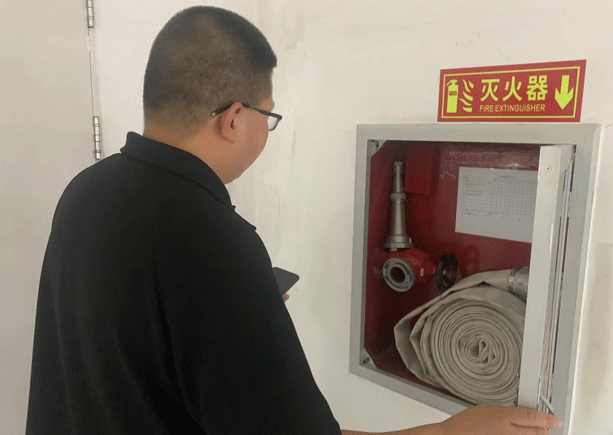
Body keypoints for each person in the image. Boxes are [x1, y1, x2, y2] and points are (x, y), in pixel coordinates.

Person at [26, 6, 562, 435]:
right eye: (269, 115)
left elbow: (134, 343)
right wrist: (457, 430)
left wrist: (233, 319)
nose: (267, 131)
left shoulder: (86, 191)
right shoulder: (214, 241)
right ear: (235, 118)